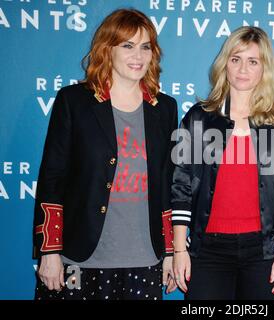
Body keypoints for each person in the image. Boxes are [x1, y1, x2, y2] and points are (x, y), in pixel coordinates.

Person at [33, 8, 178, 300]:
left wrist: (171, 252)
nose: (138, 55)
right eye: (127, 45)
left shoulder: (164, 109)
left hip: (144, 258)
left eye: (145, 46)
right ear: (107, 49)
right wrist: (49, 251)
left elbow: (167, 184)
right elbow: (53, 178)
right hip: (79, 257)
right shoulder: (74, 102)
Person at [171, 26, 274, 300]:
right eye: (236, 59)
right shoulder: (199, 118)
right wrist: (179, 250)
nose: (243, 68)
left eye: (252, 61)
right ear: (225, 64)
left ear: (264, 68)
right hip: (206, 252)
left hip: (263, 254)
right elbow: (181, 186)